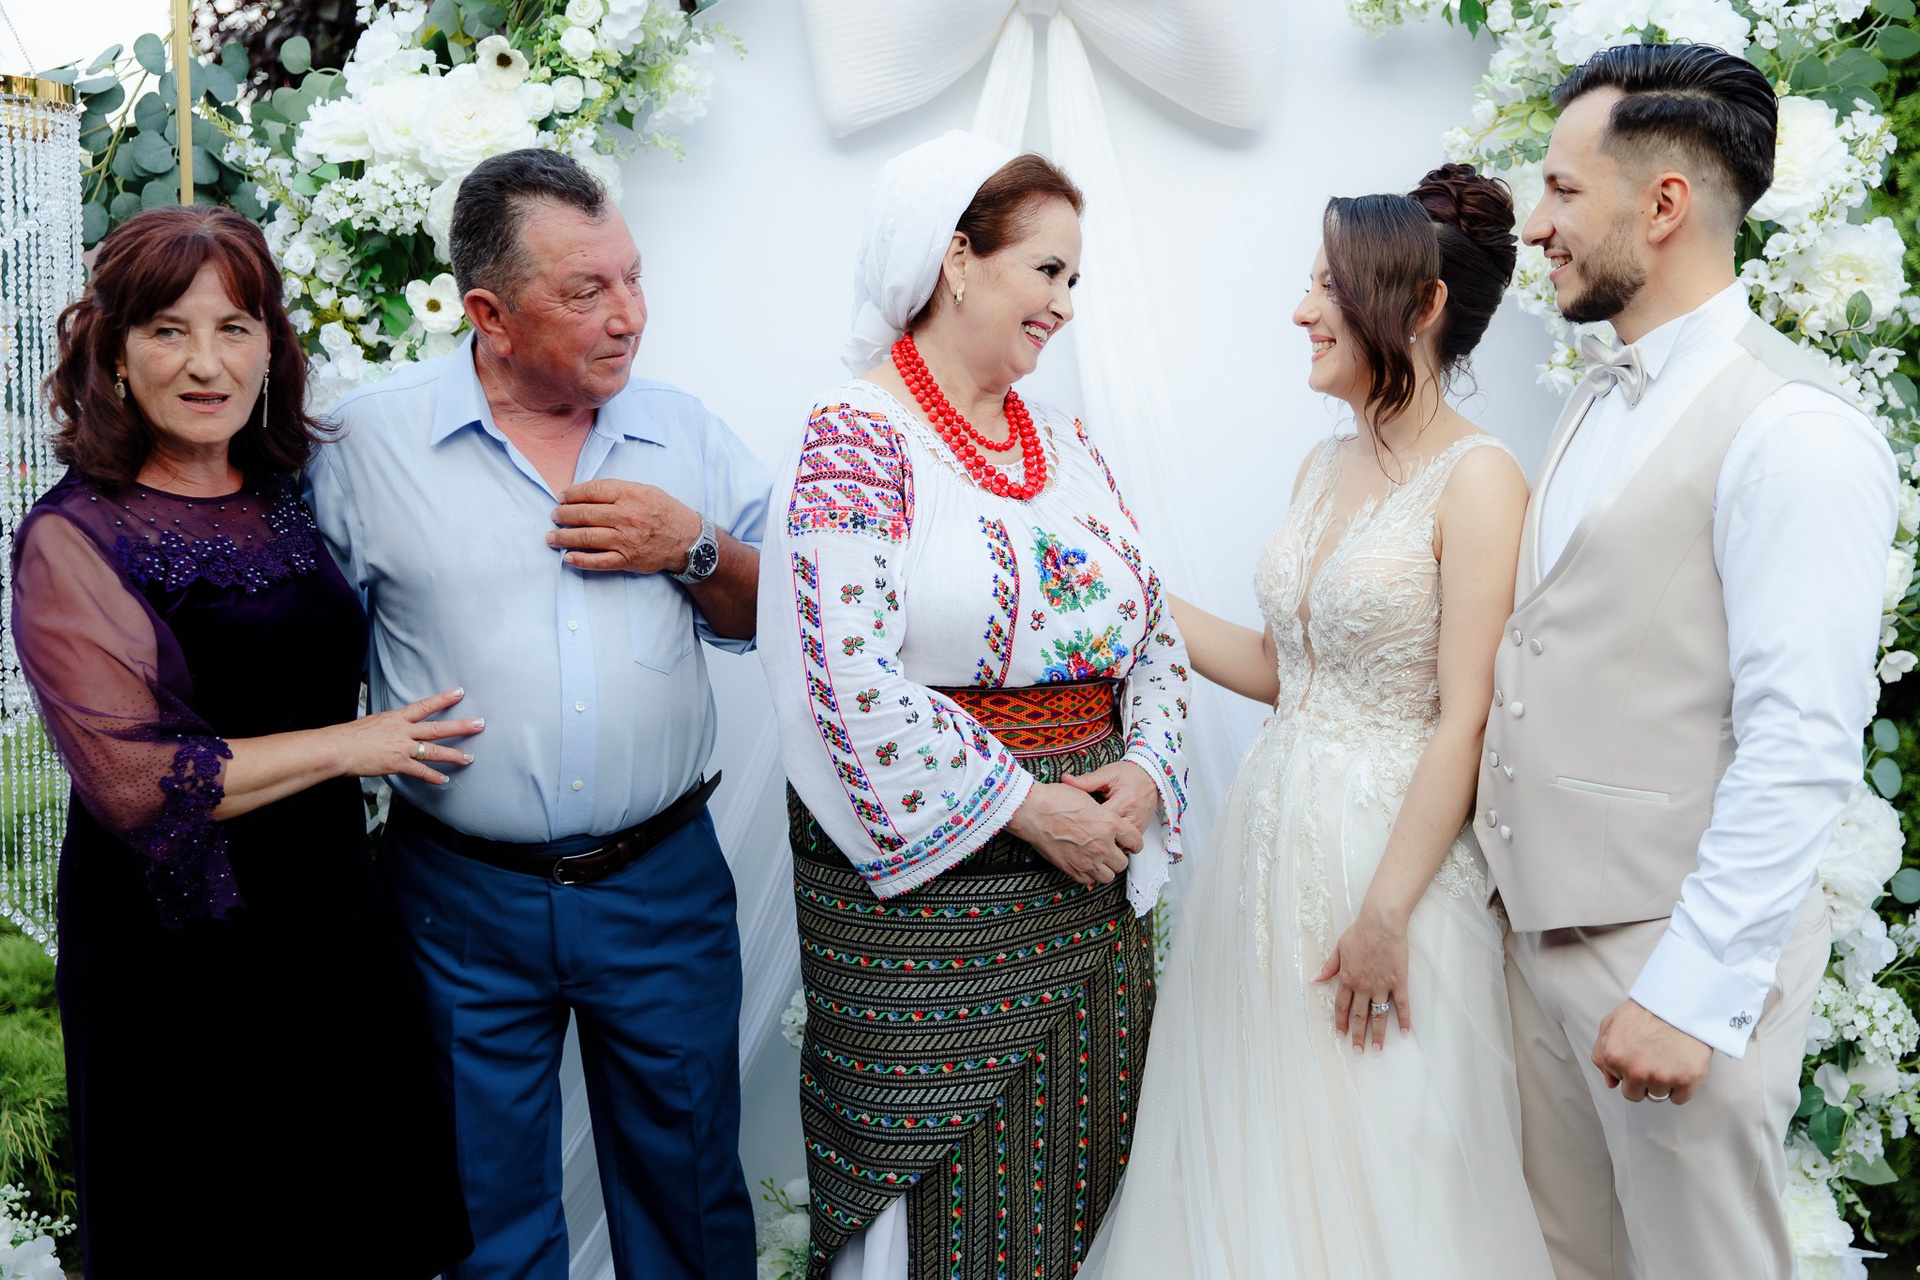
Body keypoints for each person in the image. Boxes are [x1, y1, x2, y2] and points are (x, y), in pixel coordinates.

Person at [1082, 165, 1554, 1280]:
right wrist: (1129, 589)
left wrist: (1386, 913)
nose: (1303, 310)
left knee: (1387, 1162)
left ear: (1422, 306)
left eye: (1330, 287)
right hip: (1268, 847)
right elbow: (1285, 669)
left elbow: (1467, 718)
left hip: (1388, 864)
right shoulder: (1322, 462)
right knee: (1254, 1151)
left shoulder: (1481, 479)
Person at [306, 148, 768, 1280]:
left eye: (634, 277)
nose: (631, 315)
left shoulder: (685, 430)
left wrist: (693, 545)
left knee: (693, 1207)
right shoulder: (363, 448)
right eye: (587, 291)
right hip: (457, 900)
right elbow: (301, 655)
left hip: (661, 888)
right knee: (484, 1222)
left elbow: (790, 615)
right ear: (489, 314)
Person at [1482, 43, 1897, 1280]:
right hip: (1540, 939)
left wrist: (1692, 985)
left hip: (1671, 952)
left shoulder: (1794, 428)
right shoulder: (1594, 395)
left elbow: (1802, 735)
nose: (1536, 224)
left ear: (1663, 204)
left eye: (1563, 189)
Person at [758, 130, 1191, 1280]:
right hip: (934, 911)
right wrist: (1029, 807)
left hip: (1090, 885)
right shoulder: (855, 434)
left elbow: (1155, 632)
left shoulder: (1069, 446)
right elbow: (839, 677)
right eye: (1047, 270)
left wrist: (1145, 772)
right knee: (941, 1213)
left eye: (1075, 278)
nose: (1065, 305)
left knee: (1083, 1184)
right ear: (957, 258)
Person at [10, 206, 472, 1278]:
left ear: (271, 348)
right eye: (168, 331)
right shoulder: (73, 537)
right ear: (114, 353)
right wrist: (349, 745)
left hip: (332, 921)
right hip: (174, 958)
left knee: (362, 1224)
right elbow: (137, 783)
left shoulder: (280, 498)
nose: (206, 363)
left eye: (235, 328)